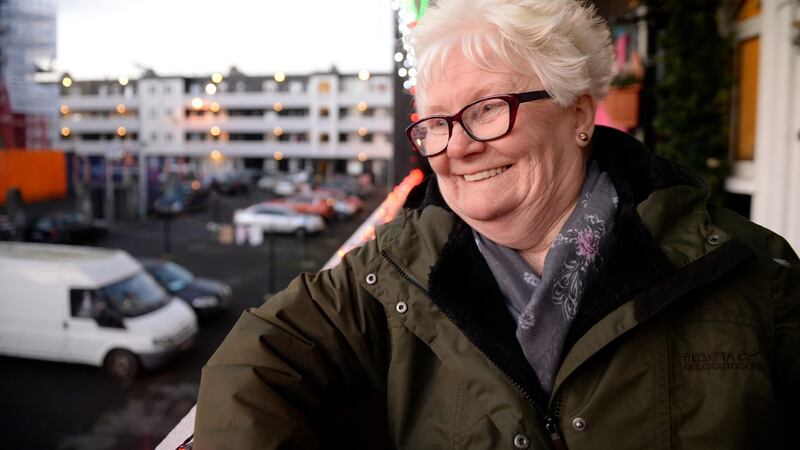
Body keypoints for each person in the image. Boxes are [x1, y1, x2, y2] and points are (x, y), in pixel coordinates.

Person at [194, 0, 799, 448]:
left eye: (486, 110)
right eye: (435, 124)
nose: (455, 148)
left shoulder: (748, 272)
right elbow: (254, 363)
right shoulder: (394, 270)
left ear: (579, 113)